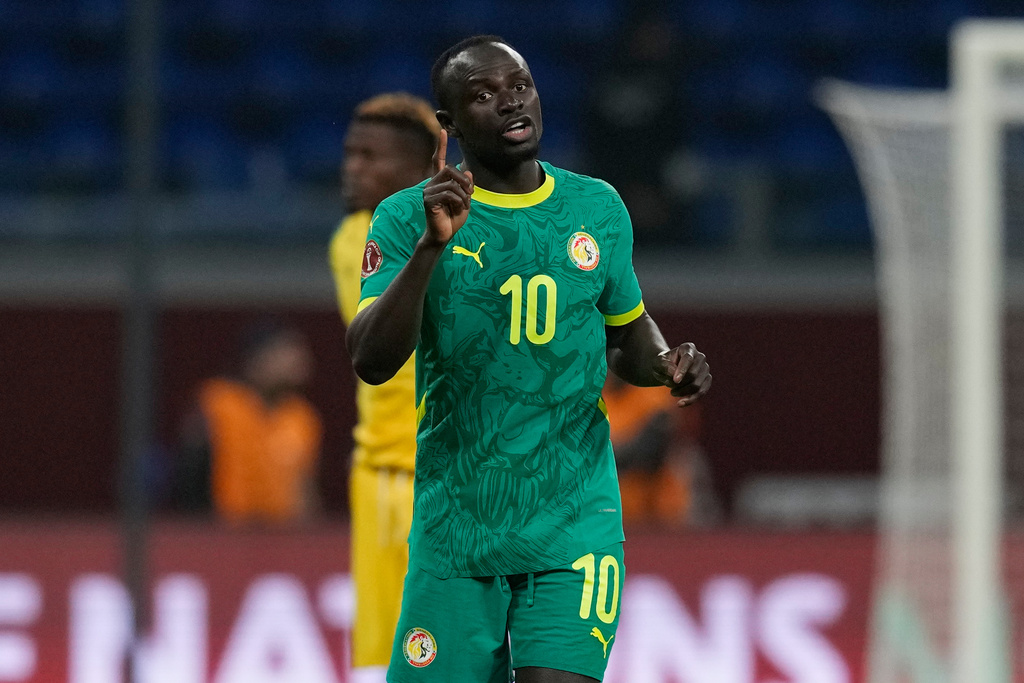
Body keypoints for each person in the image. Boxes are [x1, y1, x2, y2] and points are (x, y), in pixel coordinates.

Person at [346, 35, 711, 683]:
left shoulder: (597, 208)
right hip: (458, 529)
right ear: (450, 126)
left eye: (520, 85)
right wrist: (431, 250)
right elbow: (371, 358)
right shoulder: (406, 219)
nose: (511, 102)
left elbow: (626, 332)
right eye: (483, 95)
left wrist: (666, 363)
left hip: (573, 524)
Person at [328, 93, 439, 683]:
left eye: (373, 157)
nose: (354, 168)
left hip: (451, 476)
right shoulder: (356, 241)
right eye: (351, 154)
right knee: (384, 659)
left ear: (425, 168)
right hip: (392, 473)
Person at [174, 320, 322, 524]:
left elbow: (305, 486)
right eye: (284, 352)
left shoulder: (301, 416)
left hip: (284, 536)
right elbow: (190, 476)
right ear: (256, 359)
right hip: (226, 533)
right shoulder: (220, 403)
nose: (297, 360)